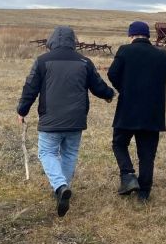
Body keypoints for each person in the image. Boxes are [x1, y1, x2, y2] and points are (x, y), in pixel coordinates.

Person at [16, 26, 114, 217]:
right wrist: (109, 94)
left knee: (46, 153)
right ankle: (62, 189)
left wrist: (22, 110)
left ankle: (60, 187)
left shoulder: (42, 61)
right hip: (76, 120)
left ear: (52, 40)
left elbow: (30, 88)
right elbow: (98, 86)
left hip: (50, 119)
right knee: (69, 153)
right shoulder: (85, 62)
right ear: (73, 41)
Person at [107, 21, 166, 202]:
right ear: (147, 36)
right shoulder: (161, 55)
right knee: (147, 153)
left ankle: (128, 175)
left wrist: (124, 88)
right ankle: (144, 193)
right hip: (153, 111)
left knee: (119, 143)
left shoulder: (125, 51)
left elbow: (112, 74)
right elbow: (162, 79)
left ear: (131, 35)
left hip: (128, 108)